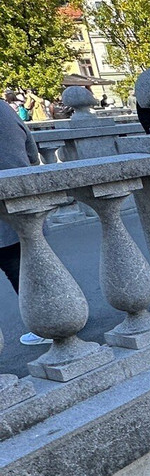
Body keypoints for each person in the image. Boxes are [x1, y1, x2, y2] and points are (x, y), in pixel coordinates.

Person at [0, 102, 49, 345]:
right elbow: (32, 154)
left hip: (5, 214)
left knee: (20, 272)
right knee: (34, 269)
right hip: (26, 203)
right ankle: (57, 319)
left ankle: (49, 325)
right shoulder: (5, 108)